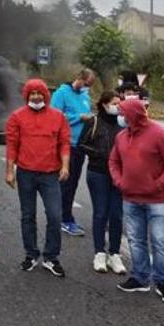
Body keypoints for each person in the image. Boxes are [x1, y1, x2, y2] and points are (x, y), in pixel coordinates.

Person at [111, 98, 164, 305]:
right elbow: (114, 161)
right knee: (136, 239)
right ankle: (140, 277)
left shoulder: (160, 134)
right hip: (130, 197)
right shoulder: (122, 136)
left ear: (134, 114)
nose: (120, 117)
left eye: (123, 113)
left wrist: (158, 185)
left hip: (157, 200)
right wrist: (119, 180)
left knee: (161, 242)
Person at [5, 78, 71, 277]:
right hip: (25, 173)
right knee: (28, 215)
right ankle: (31, 254)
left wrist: (65, 166)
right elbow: (12, 145)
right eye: (32, 93)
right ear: (26, 96)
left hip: (50, 174)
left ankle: (51, 257)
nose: (36, 96)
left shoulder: (58, 117)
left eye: (39, 93)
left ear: (46, 95)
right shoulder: (17, 116)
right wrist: (9, 171)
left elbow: (65, 143)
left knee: (55, 215)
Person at [80, 90, 127, 274]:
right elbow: (82, 144)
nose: (117, 106)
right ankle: (99, 252)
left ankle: (114, 254)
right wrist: (101, 154)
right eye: (114, 103)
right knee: (100, 212)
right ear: (104, 104)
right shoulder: (94, 122)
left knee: (117, 214)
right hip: (98, 173)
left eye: (119, 103)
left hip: (119, 175)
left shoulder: (123, 124)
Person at [51, 68, 95, 237]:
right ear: (78, 78)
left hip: (80, 146)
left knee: (73, 182)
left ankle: (63, 215)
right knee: (66, 182)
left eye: (90, 86)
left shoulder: (85, 96)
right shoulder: (61, 94)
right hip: (66, 145)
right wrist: (79, 117)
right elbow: (55, 116)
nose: (87, 88)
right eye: (86, 84)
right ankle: (65, 218)